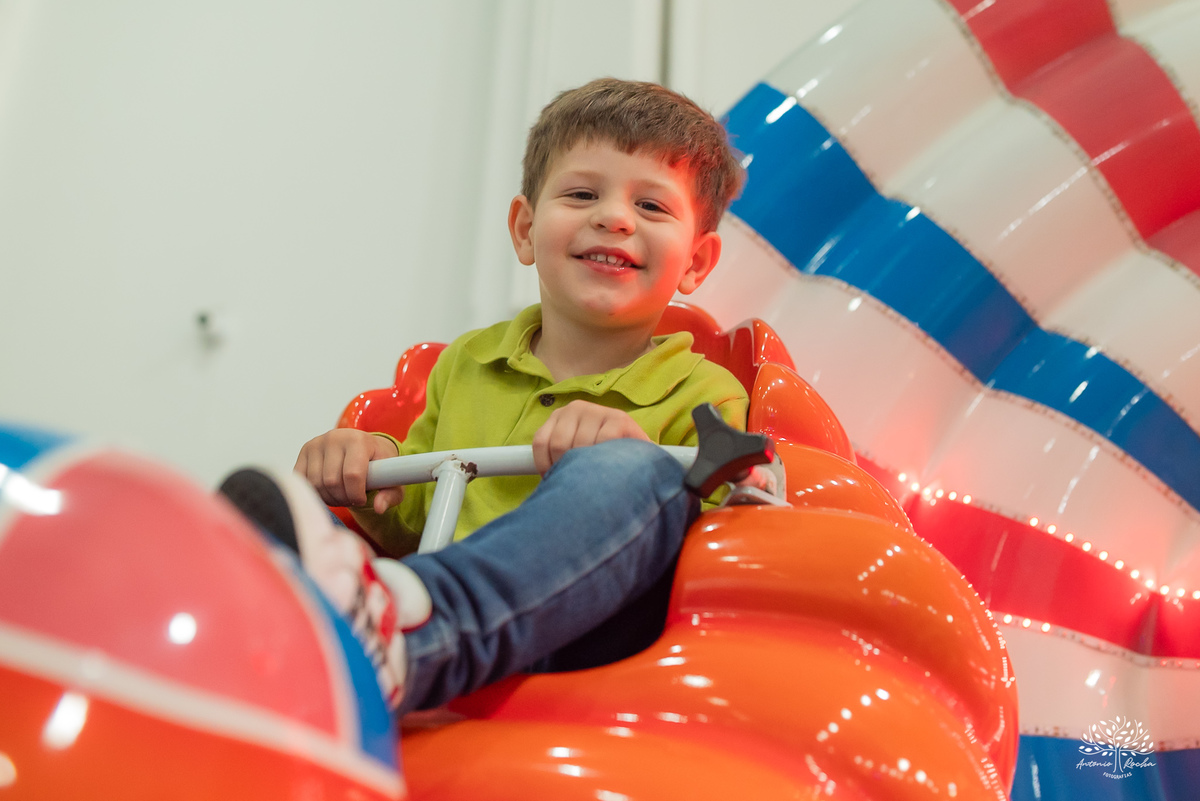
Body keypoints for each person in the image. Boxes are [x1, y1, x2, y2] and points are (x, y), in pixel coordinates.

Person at [220, 77, 759, 717]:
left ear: (696, 263)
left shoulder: (704, 391)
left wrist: (625, 462)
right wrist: (366, 468)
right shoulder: (466, 363)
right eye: (583, 193)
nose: (613, 217)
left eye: (652, 207)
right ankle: (269, 645)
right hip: (430, 624)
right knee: (248, 529)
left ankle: (413, 636)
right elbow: (416, 521)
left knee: (639, 469)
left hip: (586, 647)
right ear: (525, 229)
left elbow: (731, 550)